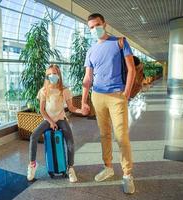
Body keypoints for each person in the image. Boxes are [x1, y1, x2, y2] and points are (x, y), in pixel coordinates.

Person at [81, 13, 136, 194]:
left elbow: (131, 69)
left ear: (104, 24)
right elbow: (88, 78)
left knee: (121, 137)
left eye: (97, 25)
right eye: (91, 27)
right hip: (98, 96)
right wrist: (84, 100)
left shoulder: (119, 42)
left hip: (116, 96)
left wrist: (126, 92)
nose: (94, 29)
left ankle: (127, 174)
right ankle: (108, 167)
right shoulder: (90, 51)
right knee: (104, 135)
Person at [27, 64, 83, 183]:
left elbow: (71, 108)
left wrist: (81, 111)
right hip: (48, 119)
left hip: (61, 119)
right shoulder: (43, 91)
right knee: (33, 136)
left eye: (54, 73)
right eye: (49, 74)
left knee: (70, 142)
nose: (52, 76)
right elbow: (42, 110)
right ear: (47, 76)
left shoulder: (65, 90)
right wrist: (51, 122)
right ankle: (32, 165)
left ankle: (70, 168)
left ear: (59, 75)